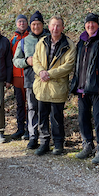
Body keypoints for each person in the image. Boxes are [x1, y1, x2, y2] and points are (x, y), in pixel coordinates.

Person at [70, 13, 99, 163]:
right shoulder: (81, 41)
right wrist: (75, 83)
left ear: (98, 25)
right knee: (83, 118)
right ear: (85, 25)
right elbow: (77, 65)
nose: (90, 26)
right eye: (88, 23)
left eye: (93, 23)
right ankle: (87, 145)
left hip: (97, 88)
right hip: (82, 88)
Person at [32, 15, 76, 156]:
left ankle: (58, 144)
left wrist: (49, 74)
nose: (55, 28)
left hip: (57, 87)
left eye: (58, 26)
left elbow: (68, 66)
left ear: (63, 28)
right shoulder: (42, 41)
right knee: (42, 117)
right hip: (42, 86)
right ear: (49, 27)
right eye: (53, 25)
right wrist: (41, 72)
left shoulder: (69, 44)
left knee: (56, 118)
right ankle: (44, 143)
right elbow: (36, 60)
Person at [13, 11, 48, 149]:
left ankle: (44, 135)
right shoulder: (24, 41)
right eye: (33, 24)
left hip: (47, 79)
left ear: (42, 25)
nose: (36, 26)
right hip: (30, 79)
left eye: (38, 24)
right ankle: (33, 136)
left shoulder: (50, 38)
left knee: (45, 108)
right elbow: (16, 60)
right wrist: (27, 61)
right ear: (30, 25)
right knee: (32, 108)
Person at [10, 14, 30, 140]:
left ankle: (30, 129)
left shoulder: (31, 36)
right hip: (17, 76)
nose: (22, 24)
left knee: (30, 104)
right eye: (20, 22)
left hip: (29, 75)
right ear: (17, 24)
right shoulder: (13, 39)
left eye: (24, 21)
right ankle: (20, 128)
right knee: (19, 104)